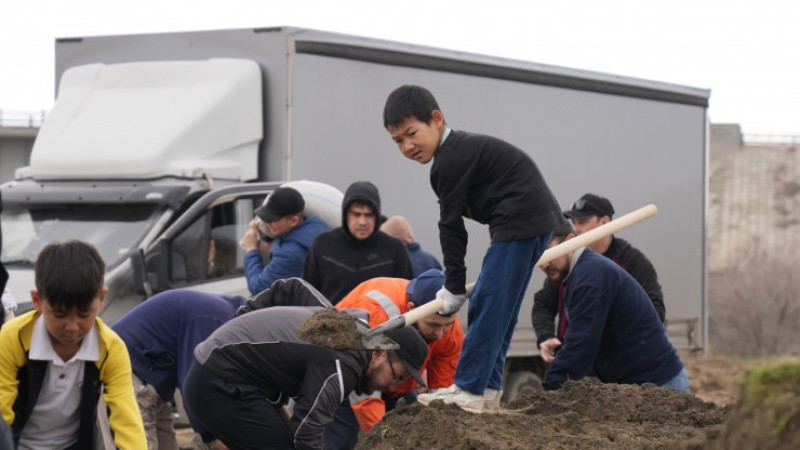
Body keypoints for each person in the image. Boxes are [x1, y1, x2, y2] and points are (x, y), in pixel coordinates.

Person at [384, 85, 564, 411]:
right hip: (534, 222)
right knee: (502, 309)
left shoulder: (448, 161)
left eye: (412, 133)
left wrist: (453, 286)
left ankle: (469, 390)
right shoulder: (462, 150)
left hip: (519, 221)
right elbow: (526, 171)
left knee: (486, 302)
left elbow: (451, 227)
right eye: (398, 141)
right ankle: (488, 389)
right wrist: (557, 226)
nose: (408, 145)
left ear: (436, 120)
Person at [182, 283, 429, 450]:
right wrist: (243, 317)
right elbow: (306, 432)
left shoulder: (346, 326)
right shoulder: (345, 361)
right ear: (378, 352)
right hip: (218, 384)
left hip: (224, 379)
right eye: (396, 377)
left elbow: (293, 284)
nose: (390, 387)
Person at [0, 240, 146, 449]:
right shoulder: (13, 338)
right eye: (59, 315)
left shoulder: (110, 348)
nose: (72, 327)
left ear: (101, 298)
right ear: (37, 301)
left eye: (84, 314)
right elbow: (2, 412)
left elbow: (127, 421)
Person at [539, 224, 689, 392]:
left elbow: (581, 343)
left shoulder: (589, 277)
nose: (544, 264)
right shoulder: (582, 272)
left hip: (659, 385)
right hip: (636, 386)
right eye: (537, 257)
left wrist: (549, 391)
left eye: (548, 252)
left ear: (570, 241)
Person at [324, 269, 463, 449]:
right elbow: (365, 397)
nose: (439, 333)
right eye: (433, 325)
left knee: (417, 430)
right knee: (344, 441)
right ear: (413, 309)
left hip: (398, 381)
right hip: (347, 376)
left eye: (446, 326)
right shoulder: (375, 313)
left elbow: (441, 393)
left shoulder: (448, 324)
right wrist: (384, 440)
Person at [533, 193, 666, 363]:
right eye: (574, 223)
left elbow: (655, 310)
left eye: (582, 222)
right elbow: (543, 304)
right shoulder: (568, 264)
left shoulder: (631, 261)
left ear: (605, 222)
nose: (576, 229)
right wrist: (546, 336)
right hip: (577, 368)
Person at [111, 289, 248, 450]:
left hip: (155, 383)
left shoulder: (229, 316)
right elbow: (195, 384)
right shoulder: (216, 319)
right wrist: (211, 436)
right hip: (129, 372)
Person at [302, 181, 413, 305]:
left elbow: (406, 297)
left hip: (382, 324)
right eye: (356, 214)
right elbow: (308, 295)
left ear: (377, 216)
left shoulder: (394, 249)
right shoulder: (322, 245)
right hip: (331, 323)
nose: (362, 222)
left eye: (369, 215)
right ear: (345, 214)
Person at [241, 186, 329, 295]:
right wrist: (266, 236)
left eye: (273, 220)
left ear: (293, 221)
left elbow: (258, 287)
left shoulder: (291, 254)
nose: (268, 223)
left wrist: (251, 249)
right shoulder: (316, 225)